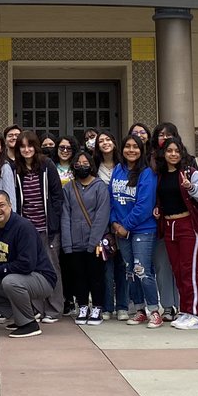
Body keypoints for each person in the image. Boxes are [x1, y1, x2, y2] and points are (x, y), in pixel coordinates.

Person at [0, 190, 58, 339]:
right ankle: (22, 317)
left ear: (10, 205)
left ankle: (29, 324)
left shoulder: (23, 227)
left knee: (10, 281)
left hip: (41, 278)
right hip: (14, 276)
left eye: (1, 205)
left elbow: (27, 264)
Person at [153, 136, 198, 330]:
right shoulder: (160, 174)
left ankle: (196, 314)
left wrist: (190, 187)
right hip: (169, 226)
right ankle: (185, 310)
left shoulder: (189, 172)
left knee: (190, 270)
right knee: (177, 270)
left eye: (177, 151)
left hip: (189, 225)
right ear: (164, 153)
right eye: (169, 151)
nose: (173, 154)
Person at [13, 131, 66, 322]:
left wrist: (53, 221)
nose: (26, 150)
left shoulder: (46, 165)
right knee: (31, 269)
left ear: (36, 147)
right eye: (22, 146)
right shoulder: (15, 168)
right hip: (27, 229)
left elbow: (57, 195)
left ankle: (54, 309)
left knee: (52, 268)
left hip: (47, 228)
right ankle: (36, 308)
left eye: (30, 145)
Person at [110, 134, 161, 327]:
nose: (131, 150)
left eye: (135, 147)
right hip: (121, 230)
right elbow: (111, 200)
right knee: (130, 271)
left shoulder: (147, 173)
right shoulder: (117, 170)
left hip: (142, 230)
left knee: (142, 270)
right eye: (127, 146)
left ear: (142, 150)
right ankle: (139, 309)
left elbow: (144, 205)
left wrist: (125, 226)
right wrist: (115, 223)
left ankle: (154, 310)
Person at [60, 149, 110, 325]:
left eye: (85, 163)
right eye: (78, 164)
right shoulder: (68, 187)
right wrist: (67, 244)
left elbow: (102, 215)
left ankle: (97, 307)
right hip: (74, 242)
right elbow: (65, 215)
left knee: (96, 276)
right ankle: (82, 305)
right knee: (78, 276)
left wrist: (94, 241)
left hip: (94, 242)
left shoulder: (100, 187)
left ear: (92, 165)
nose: (82, 166)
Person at [92, 131, 125, 320]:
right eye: (101, 140)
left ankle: (122, 305)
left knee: (123, 265)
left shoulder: (123, 166)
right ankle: (107, 306)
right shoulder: (95, 167)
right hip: (103, 223)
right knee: (106, 266)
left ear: (114, 142)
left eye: (108, 139)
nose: (105, 143)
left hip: (123, 222)